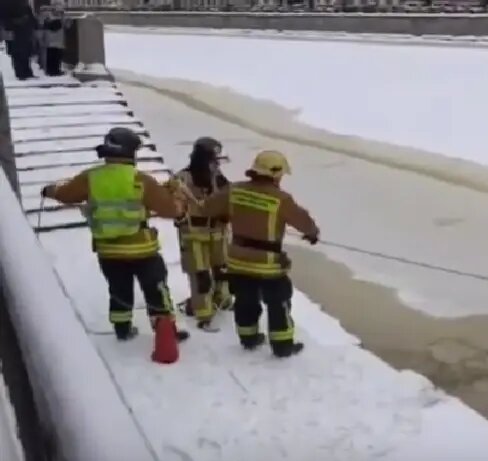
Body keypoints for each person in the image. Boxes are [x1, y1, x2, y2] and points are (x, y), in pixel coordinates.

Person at [41, 127, 189, 364]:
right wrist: (178, 198)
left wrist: (50, 190)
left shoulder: (91, 177)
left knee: (119, 289)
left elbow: (66, 194)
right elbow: (171, 210)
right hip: (142, 249)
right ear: (131, 152)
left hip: (108, 250)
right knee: (156, 288)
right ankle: (165, 332)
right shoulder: (140, 180)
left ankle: (122, 328)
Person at [202, 150, 319, 358]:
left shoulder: (234, 190)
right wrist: (312, 233)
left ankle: (248, 338)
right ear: (274, 174)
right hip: (268, 264)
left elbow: (208, 207)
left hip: (237, 260)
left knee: (245, 299)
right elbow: (303, 221)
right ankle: (282, 346)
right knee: (278, 301)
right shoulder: (281, 199)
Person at [168, 137, 233, 332]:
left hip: (219, 234)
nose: (216, 165)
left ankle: (223, 300)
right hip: (194, 236)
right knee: (201, 275)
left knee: (223, 270)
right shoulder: (182, 180)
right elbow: (175, 209)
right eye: (213, 161)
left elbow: (231, 198)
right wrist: (180, 214)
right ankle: (203, 314)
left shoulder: (219, 179)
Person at [40, 6, 67, 76]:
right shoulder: (59, 19)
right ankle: (55, 71)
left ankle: (50, 70)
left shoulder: (47, 19)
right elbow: (64, 25)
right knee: (56, 56)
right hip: (56, 41)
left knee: (51, 56)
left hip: (51, 41)